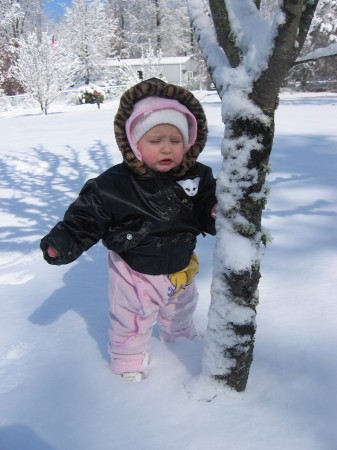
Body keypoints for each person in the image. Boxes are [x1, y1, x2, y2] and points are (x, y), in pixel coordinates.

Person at [40, 77, 217, 382]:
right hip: (135, 271)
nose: (166, 148)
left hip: (182, 265)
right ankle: (128, 361)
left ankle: (180, 338)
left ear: (188, 143)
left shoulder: (198, 176)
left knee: (182, 307)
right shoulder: (113, 185)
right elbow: (86, 218)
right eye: (155, 140)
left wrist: (215, 211)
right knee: (131, 319)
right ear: (135, 143)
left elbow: (204, 213)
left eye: (175, 141)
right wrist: (64, 241)